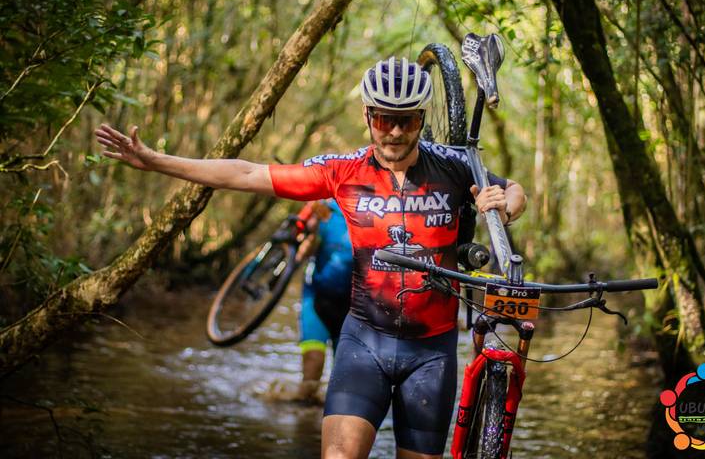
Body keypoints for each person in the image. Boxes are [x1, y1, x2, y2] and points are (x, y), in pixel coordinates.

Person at [95, 56, 526, 459]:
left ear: (421, 119)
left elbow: (514, 191)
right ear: (367, 116)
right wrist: (156, 160)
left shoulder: (454, 165)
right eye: (383, 119)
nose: (394, 132)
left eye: (407, 120)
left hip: (432, 353)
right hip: (364, 343)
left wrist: (502, 207)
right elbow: (246, 172)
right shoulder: (343, 171)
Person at [294, 199, 353, 403]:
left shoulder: (377, 212)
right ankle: (302, 417)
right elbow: (302, 255)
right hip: (316, 296)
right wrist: (311, 231)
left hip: (352, 307)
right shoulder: (326, 208)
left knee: (342, 384)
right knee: (312, 371)